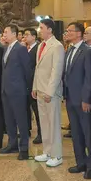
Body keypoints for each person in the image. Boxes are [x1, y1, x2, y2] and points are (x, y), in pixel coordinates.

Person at [63, 23, 91, 178]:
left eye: (70, 31)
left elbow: (89, 78)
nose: (67, 33)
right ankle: (80, 163)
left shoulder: (87, 52)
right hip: (70, 98)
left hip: (82, 100)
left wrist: (86, 99)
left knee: (88, 133)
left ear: (79, 34)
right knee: (76, 133)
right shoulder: (69, 49)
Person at [32, 18, 64, 167]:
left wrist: (50, 91)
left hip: (50, 93)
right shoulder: (41, 46)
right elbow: (38, 69)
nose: (40, 30)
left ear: (50, 29)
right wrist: (35, 87)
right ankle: (47, 151)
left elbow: (56, 71)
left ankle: (57, 155)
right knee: (44, 123)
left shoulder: (57, 46)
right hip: (40, 90)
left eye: (42, 27)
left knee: (53, 124)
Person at [0, 24, 32, 160]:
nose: (4, 34)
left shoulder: (21, 49)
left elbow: (28, 70)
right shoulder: (6, 48)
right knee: (9, 119)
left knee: (21, 120)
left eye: (6, 32)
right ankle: (12, 143)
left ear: (14, 34)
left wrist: (26, 89)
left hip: (18, 90)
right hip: (6, 90)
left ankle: (24, 148)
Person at [23, 27, 42, 144]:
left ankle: (41, 133)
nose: (25, 37)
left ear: (34, 37)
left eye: (27, 35)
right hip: (24, 84)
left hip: (34, 84)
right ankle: (27, 129)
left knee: (37, 111)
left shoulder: (38, 48)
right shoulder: (25, 48)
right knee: (25, 109)